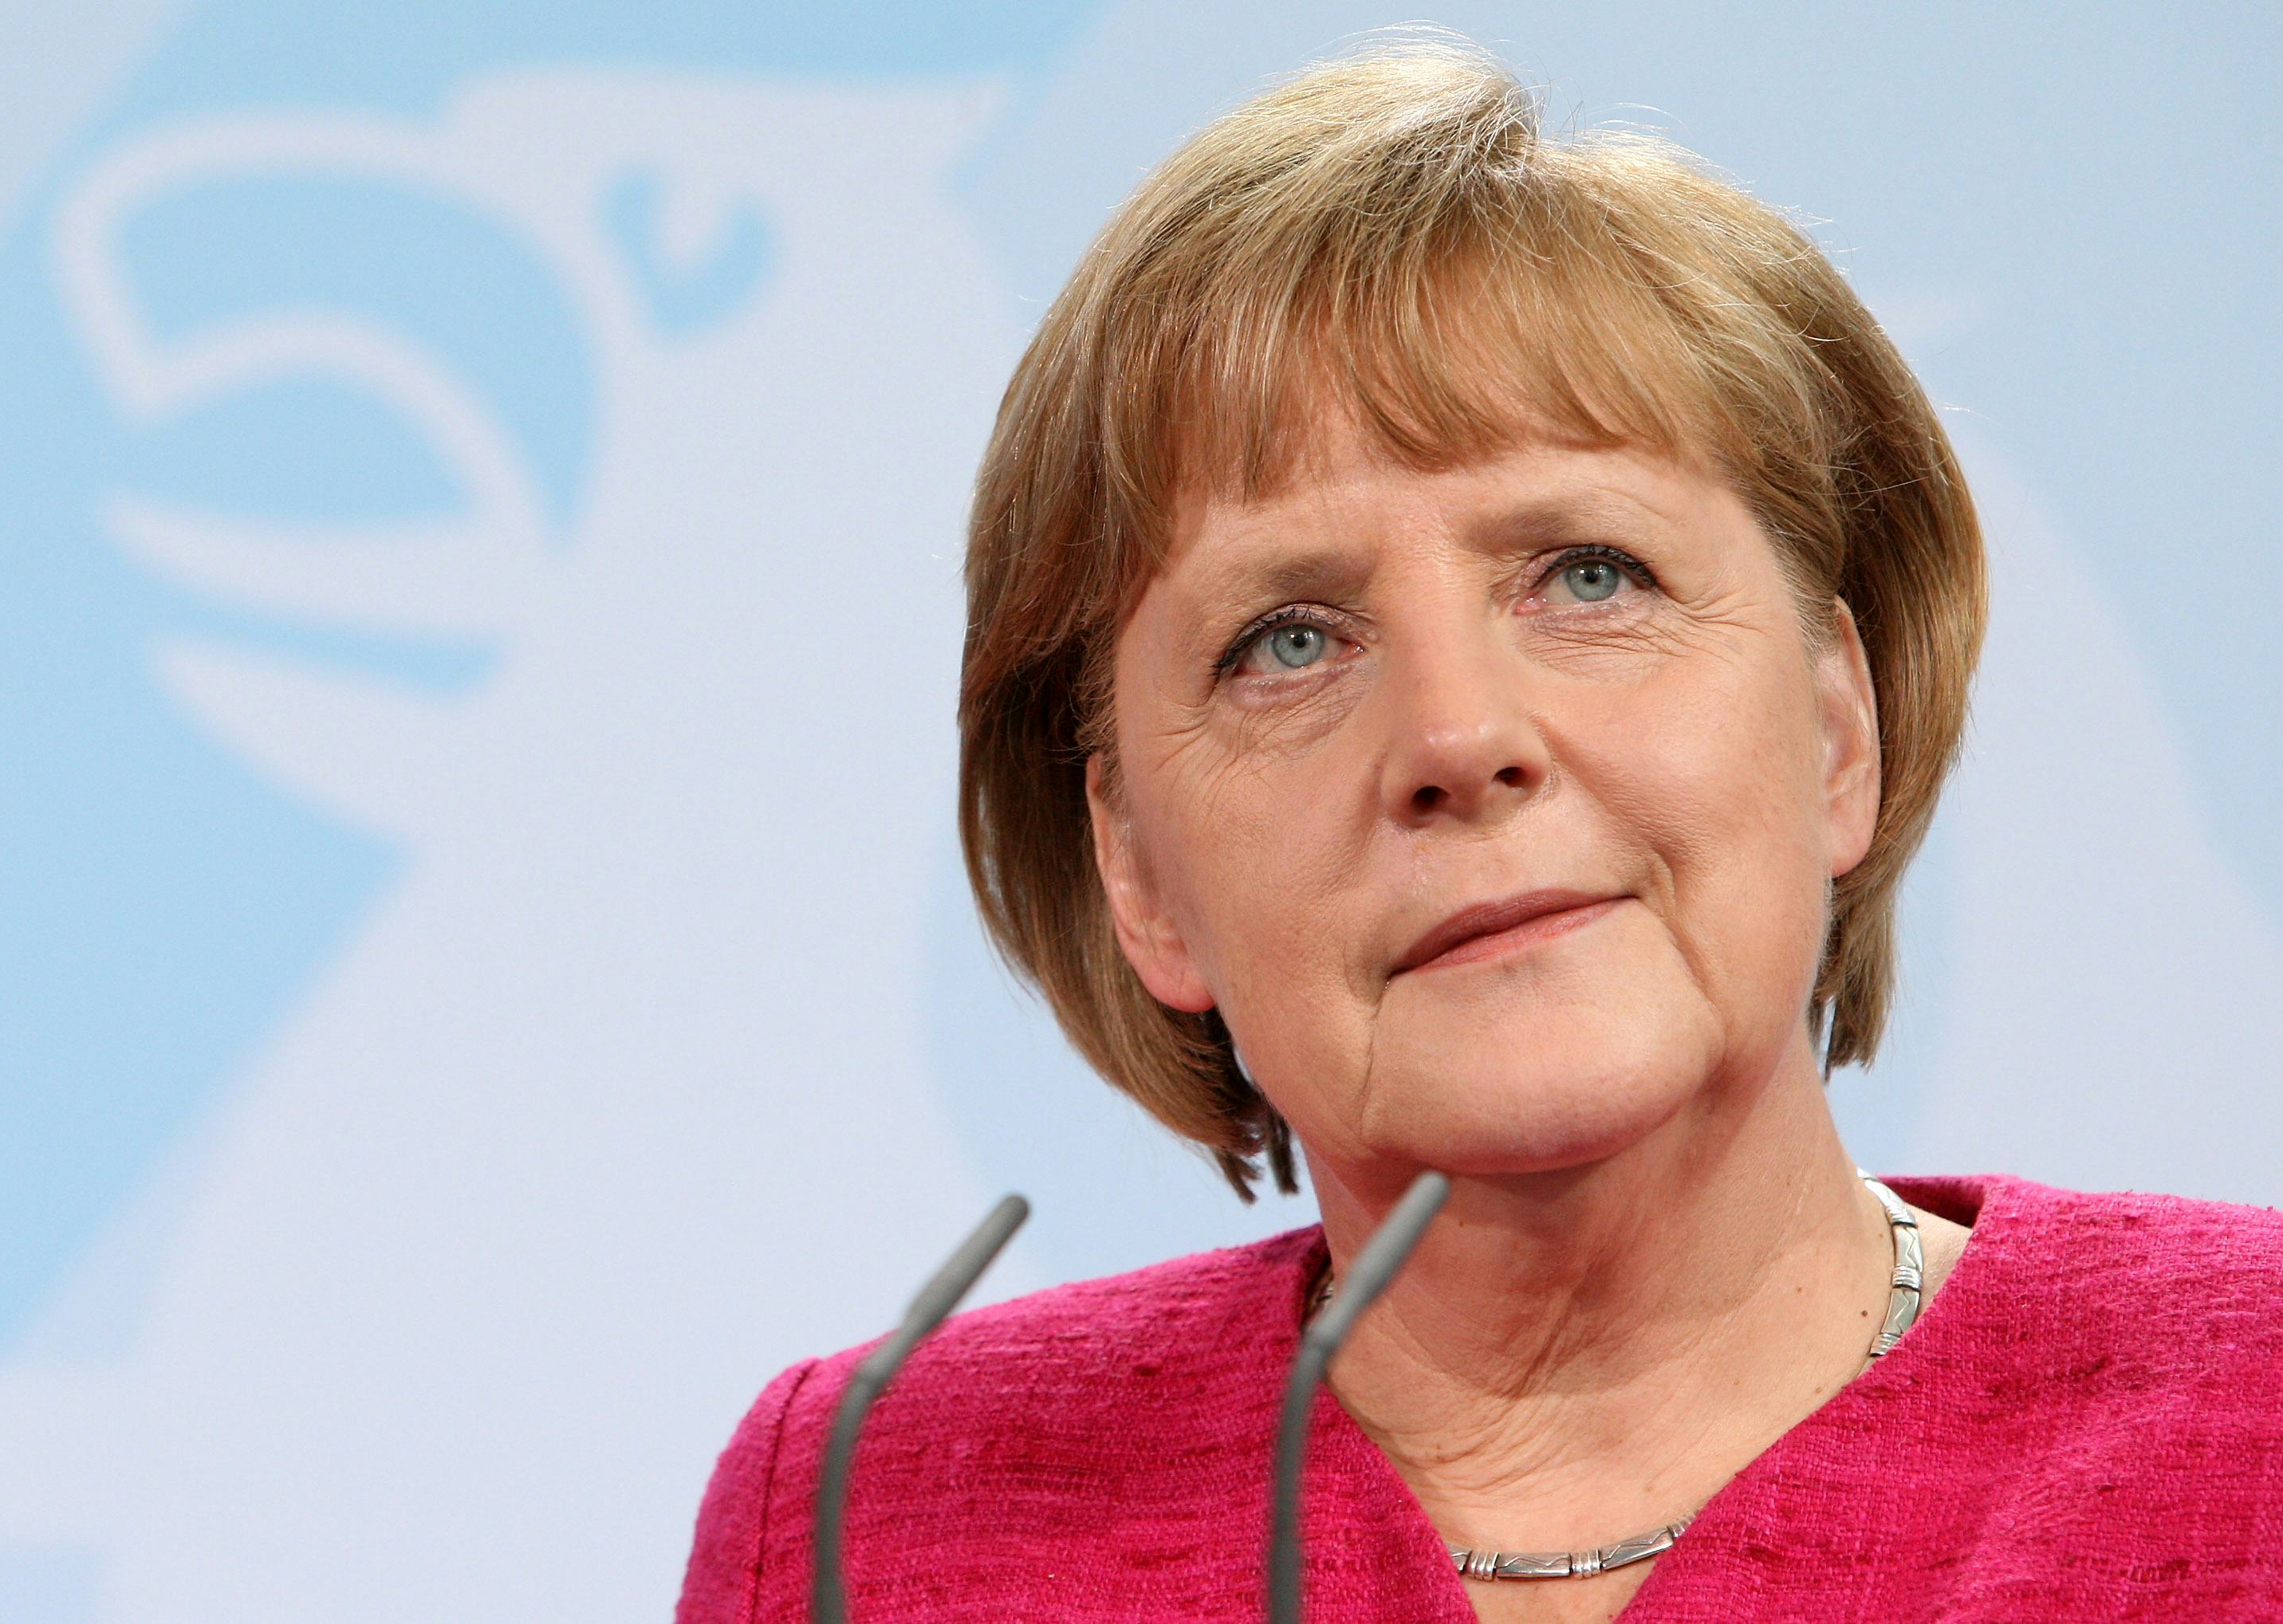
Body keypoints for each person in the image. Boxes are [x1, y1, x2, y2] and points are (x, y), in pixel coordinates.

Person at [676, 38, 2283, 1623]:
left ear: (1834, 730)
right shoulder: (875, 1515)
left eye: (1588, 573)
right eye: (1288, 641)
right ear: (1139, 875)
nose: (1457, 738)